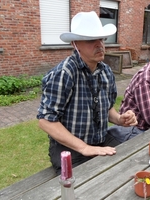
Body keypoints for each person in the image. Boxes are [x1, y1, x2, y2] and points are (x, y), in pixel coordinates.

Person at [37, 11, 138, 174]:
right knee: (90, 186)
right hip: (70, 148)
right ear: (75, 44)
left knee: (132, 163)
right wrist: (84, 148)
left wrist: (120, 119)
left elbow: (107, 109)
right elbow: (45, 121)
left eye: (102, 39)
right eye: (91, 40)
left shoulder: (106, 71)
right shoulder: (65, 73)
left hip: (100, 140)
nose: (99, 44)